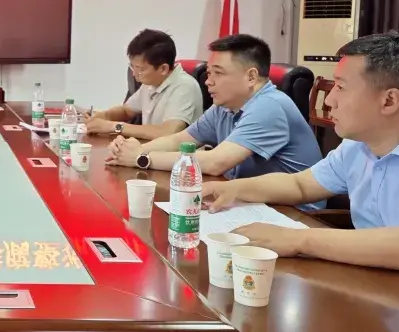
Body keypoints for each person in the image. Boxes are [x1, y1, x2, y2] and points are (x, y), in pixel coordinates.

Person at [202, 32, 399, 276]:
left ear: (389, 101)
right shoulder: (358, 145)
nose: (329, 100)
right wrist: (231, 189)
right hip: (375, 277)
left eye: (340, 87)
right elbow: (300, 185)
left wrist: (299, 240)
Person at [106, 34, 323, 207]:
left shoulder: (269, 106)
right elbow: (180, 139)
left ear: (251, 77)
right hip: (249, 200)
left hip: (293, 213)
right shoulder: (224, 106)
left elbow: (216, 163)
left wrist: (141, 158)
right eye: (209, 73)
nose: (208, 82)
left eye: (218, 73)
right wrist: (128, 151)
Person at [83, 29, 203, 140]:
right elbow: (126, 111)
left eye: (140, 69)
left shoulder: (184, 87)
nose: (134, 74)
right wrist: (103, 116)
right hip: (147, 149)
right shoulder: (151, 82)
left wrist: (114, 126)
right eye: (132, 66)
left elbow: (168, 132)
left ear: (163, 69)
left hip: (177, 155)